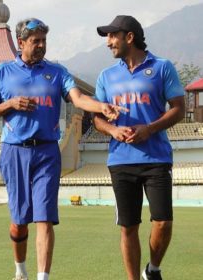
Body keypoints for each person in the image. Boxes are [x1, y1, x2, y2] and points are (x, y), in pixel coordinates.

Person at [0, 18, 124, 280]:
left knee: (45, 218)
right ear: (21, 43)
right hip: (14, 152)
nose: (41, 45)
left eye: (44, 41)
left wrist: (101, 106)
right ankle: (20, 270)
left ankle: (43, 277)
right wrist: (10, 103)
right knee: (19, 223)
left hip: (47, 151)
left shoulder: (57, 72)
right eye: (36, 41)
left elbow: (78, 98)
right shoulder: (3, 72)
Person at [93, 15, 185, 280]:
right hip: (120, 160)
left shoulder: (162, 67)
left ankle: (152, 269)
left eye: (112, 36)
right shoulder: (106, 76)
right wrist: (112, 130)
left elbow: (180, 109)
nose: (109, 42)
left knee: (164, 222)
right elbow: (97, 118)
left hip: (157, 157)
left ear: (129, 37)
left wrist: (149, 129)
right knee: (128, 227)